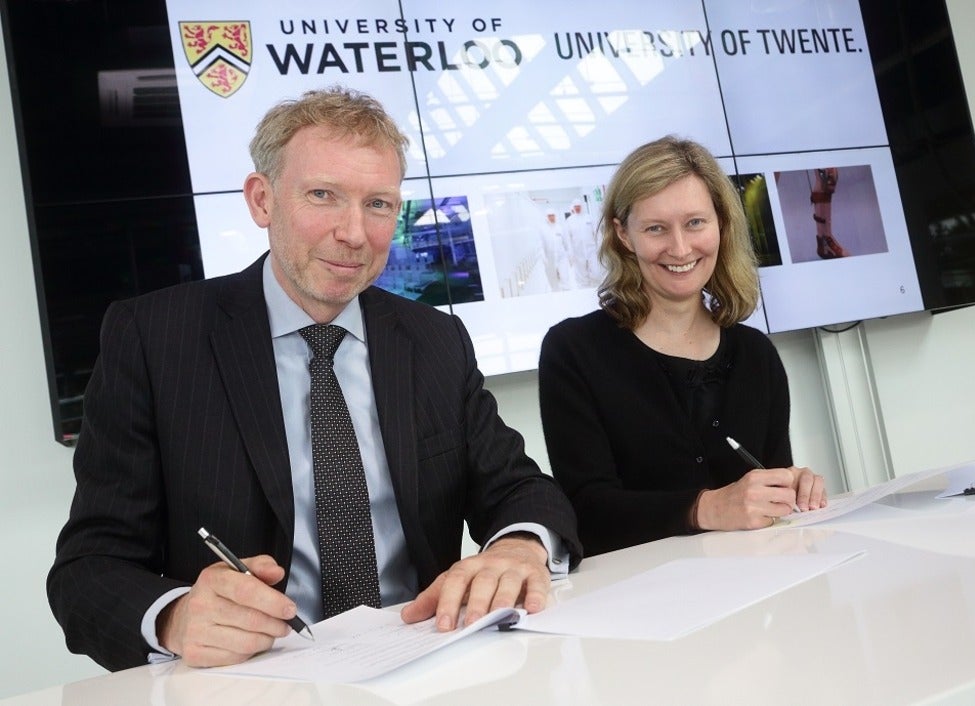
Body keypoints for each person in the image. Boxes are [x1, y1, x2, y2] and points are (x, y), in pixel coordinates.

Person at [47, 86, 582, 672]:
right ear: (262, 200)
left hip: (425, 662)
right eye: (323, 195)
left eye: (378, 204)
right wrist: (174, 616)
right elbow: (87, 567)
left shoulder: (433, 339)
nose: (354, 233)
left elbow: (519, 490)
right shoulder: (153, 338)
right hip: (252, 679)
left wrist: (519, 545)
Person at [538, 136, 825, 556]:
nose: (680, 248)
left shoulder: (756, 354)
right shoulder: (573, 351)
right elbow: (586, 512)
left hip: (758, 593)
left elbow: (767, 489)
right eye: (656, 228)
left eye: (695, 223)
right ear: (623, 235)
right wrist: (705, 508)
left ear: (721, 224)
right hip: (644, 605)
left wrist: (788, 489)